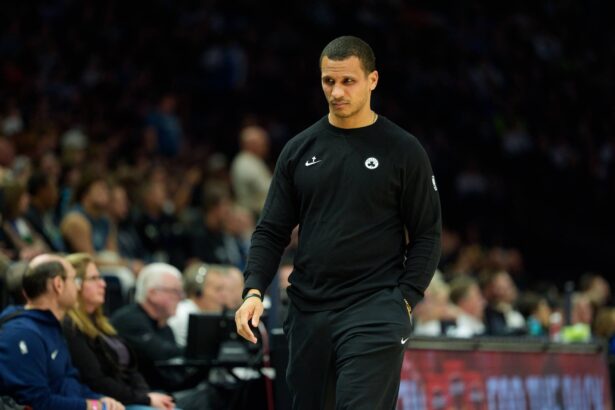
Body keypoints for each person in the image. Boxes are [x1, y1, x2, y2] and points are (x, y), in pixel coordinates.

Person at [235, 36, 441, 409]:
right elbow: (271, 230)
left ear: (372, 80)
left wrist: (405, 300)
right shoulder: (300, 149)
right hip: (309, 310)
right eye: (329, 81)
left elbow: (427, 232)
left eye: (348, 81)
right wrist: (253, 290)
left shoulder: (403, 149)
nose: (336, 91)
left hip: (375, 307)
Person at [0, 253, 124, 410]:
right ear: (58, 284)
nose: (78, 287)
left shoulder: (51, 325)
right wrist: (93, 406)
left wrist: (100, 399)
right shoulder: (22, 334)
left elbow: (67, 381)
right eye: (74, 280)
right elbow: (37, 403)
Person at [62, 253, 176, 409]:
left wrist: (146, 395)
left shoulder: (103, 324)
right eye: (94, 279)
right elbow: (97, 381)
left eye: (100, 278)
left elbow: (131, 368)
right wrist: (145, 399)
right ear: (76, 284)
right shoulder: (71, 327)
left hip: (133, 397)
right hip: (110, 402)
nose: (103, 284)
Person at [168, 262, 227, 347]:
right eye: (218, 289)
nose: (224, 295)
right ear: (198, 292)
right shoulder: (182, 315)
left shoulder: (201, 313)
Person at [230, 125, 272, 218]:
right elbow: (269, 190)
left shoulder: (253, 160)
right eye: (263, 144)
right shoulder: (245, 162)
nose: (266, 148)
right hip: (253, 215)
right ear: (251, 144)